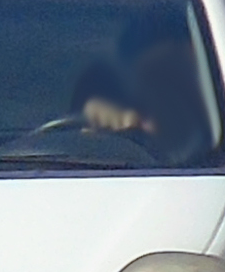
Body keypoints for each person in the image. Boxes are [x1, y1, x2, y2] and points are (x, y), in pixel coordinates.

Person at [75, 15, 215, 165]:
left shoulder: (222, 149)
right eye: (154, 77)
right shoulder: (111, 140)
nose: (165, 89)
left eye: (172, 75)